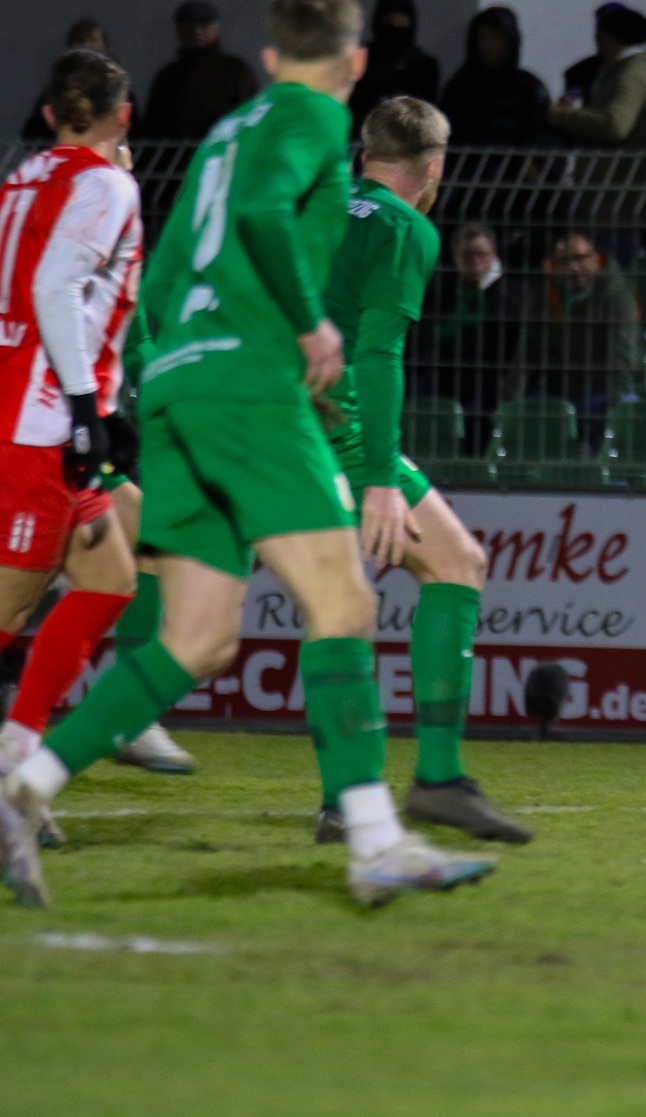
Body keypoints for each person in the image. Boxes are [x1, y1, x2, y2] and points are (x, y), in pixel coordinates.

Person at [0, 0, 497, 910]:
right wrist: (309, 326)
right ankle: (377, 839)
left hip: (177, 386)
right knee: (342, 598)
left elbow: (176, 254)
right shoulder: (316, 116)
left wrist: (148, 377)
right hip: (250, 387)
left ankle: (24, 788)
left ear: (268, 54)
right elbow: (268, 217)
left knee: (198, 635)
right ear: (349, 67)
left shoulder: (229, 130)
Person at [312, 97, 530, 846]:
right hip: (336, 425)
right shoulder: (406, 226)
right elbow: (378, 355)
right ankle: (422, 780)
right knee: (448, 567)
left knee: (164, 589)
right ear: (434, 167)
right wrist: (378, 473)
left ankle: (355, 794)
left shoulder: (312, 202)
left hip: (254, 415)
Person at [0, 52, 192, 852]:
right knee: (10, 608)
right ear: (127, 111)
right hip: (42, 424)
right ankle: (15, 776)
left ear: (49, 114)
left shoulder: (21, 177)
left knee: (112, 578)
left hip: (34, 411)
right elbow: (54, 291)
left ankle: (19, 760)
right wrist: (86, 412)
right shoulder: (107, 185)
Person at [508, 231, 642, 429]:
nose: (572, 267)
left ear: (595, 259)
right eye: (564, 261)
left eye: (579, 259)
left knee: (628, 411)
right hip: (558, 392)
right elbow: (527, 350)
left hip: (602, 391)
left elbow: (621, 355)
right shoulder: (545, 296)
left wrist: (616, 401)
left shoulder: (617, 296)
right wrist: (513, 400)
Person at [412, 223, 523, 454]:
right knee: (417, 400)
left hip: (491, 380)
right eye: (467, 255)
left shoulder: (510, 295)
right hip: (446, 375)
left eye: (481, 254)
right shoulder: (444, 291)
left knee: (477, 415)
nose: (475, 261)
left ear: (494, 254)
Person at [548, 3, 646, 149]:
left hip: (626, 164)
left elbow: (614, 127)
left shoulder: (633, 74)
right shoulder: (585, 71)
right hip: (626, 163)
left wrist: (562, 115)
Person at [138, 1, 261, 139]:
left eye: (204, 25)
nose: (197, 31)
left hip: (221, 153)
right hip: (175, 157)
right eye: (189, 25)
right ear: (178, 29)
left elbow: (250, 115)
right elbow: (153, 124)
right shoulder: (168, 76)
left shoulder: (237, 72)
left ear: (217, 29)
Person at [438, 5, 550, 146]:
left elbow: (544, 132)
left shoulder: (528, 87)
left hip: (514, 165)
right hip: (468, 165)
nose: (487, 44)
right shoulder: (461, 85)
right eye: (482, 37)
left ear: (510, 41)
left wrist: (535, 162)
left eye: (495, 37)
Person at [21, 20, 125, 142]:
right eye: (81, 41)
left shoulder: (118, 88)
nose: (87, 46)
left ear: (105, 46)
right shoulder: (57, 89)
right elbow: (32, 133)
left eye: (93, 40)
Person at [345, 0, 439, 134]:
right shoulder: (362, 58)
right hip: (363, 135)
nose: (395, 25)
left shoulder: (423, 65)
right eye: (389, 19)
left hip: (407, 137)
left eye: (401, 19)